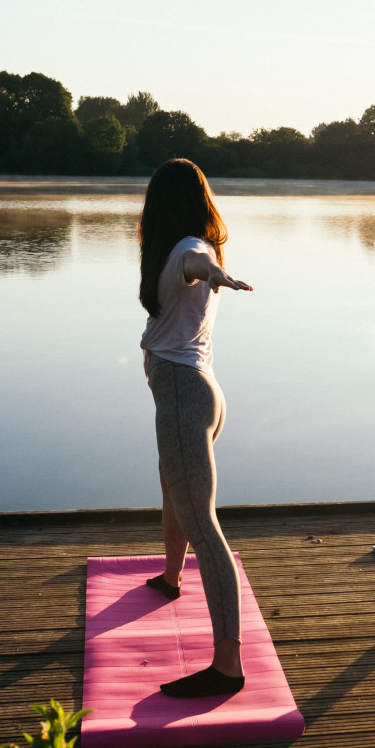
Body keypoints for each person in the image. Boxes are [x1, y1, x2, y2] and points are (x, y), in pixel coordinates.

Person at [137, 158, 254, 698]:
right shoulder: (182, 247)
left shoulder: (188, 249)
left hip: (186, 395)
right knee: (172, 482)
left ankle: (227, 664)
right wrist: (210, 269)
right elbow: (192, 260)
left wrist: (211, 271)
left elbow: (194, 260)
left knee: (203, 523)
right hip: (197, 389)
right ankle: (170, 575)